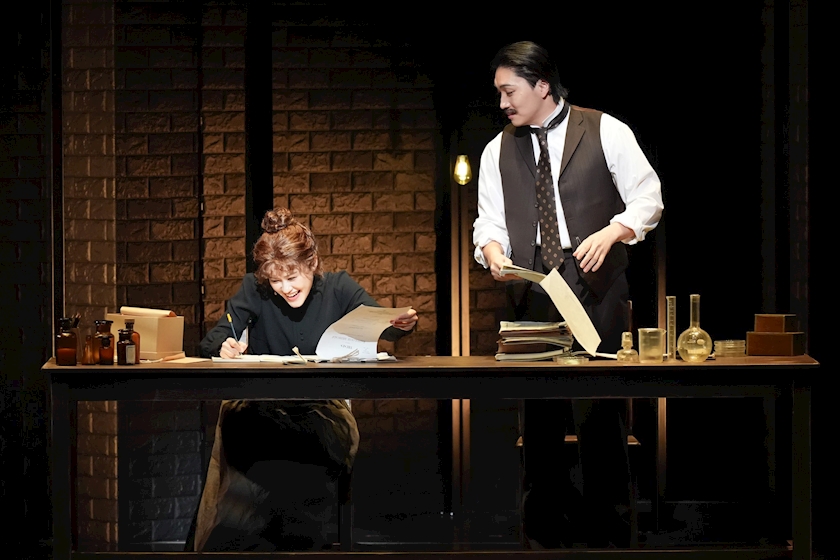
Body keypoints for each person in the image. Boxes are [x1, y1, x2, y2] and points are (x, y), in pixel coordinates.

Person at [473, 41, 663, 548]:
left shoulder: (605, 129)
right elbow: (489, 219)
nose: (502, 103)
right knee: (539, 418)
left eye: (509, 91)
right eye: (498, 93)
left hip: (593, 279)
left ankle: (609, 536)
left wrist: (614, 231)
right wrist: (492, 250)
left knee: (600, 412)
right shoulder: (497, 149)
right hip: (533, 283)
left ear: (542, 85)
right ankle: (543, 536)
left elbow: (648, 196)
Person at [186, 208, 418, 551]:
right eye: (275, 280)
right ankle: (259, 544)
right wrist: (226, 347)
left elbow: (385, 325)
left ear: (312, 263)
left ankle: (291, 544)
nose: (285, 288)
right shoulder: (254, 290)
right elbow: (211, 342)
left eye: (292, 277)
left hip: (321, 408)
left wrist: (402, 324)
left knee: (308, 443)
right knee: (251, 432)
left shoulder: (338, 288)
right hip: (260, 405)